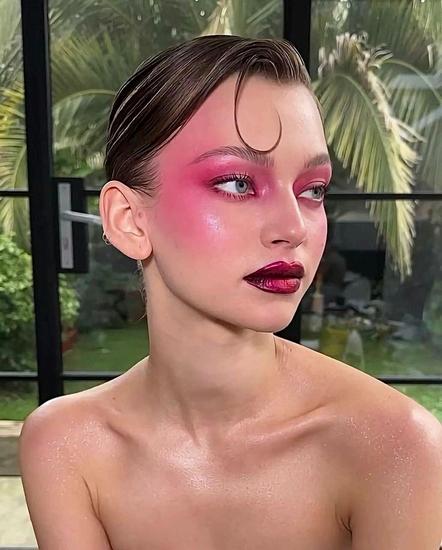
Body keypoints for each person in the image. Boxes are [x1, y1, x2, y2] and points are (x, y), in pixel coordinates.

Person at [19, 34, 441, 549]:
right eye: (238, 183)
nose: (293, 227)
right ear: (128, 219)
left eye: (312, 190)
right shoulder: (65, 446)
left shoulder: (395, 446)